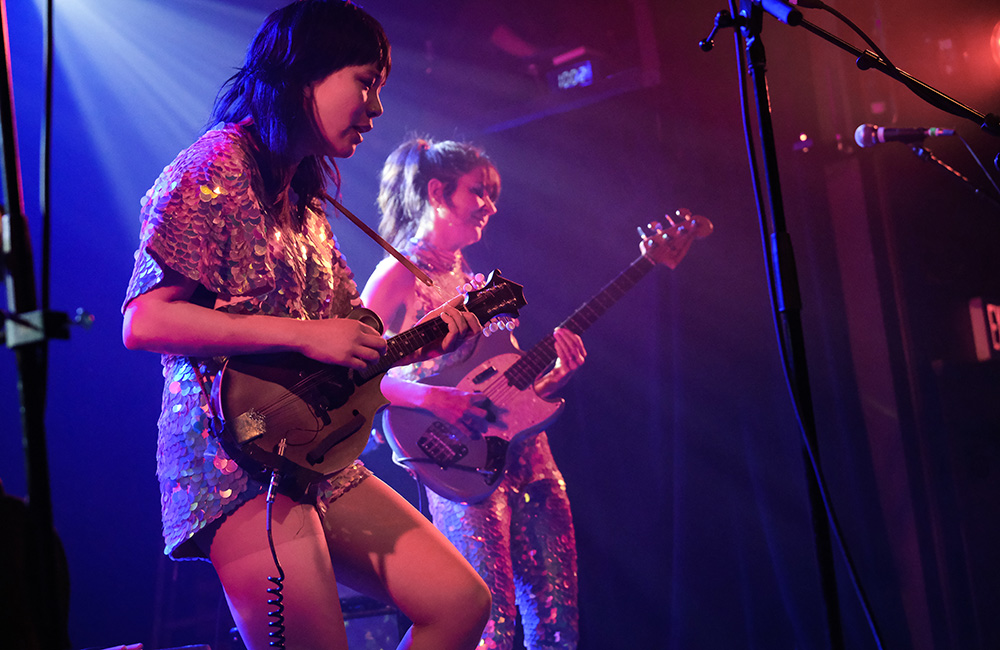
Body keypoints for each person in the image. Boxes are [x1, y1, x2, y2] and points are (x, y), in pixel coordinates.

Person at [121, 4, 492, 649]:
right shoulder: (211, 169)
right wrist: (300, 334)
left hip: (313, 455)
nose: (376, 105)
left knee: (462, 602)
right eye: (364, 80)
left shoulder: (307, 200)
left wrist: (431, 339)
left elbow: (350, 345)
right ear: (303, 77)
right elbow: (143, 320)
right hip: (233, 458)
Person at [361, 138, 586, 650]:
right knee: (492, 630)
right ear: (438, 191)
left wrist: (552, 381)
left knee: (558, 625)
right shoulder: (397, 275)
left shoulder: (475, 280)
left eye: (492, 194)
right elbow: (359, 373)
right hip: (462, 465)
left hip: (529, 457)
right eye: (478, 192)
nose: (491, 204)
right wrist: (431, 400)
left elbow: (504, 389)